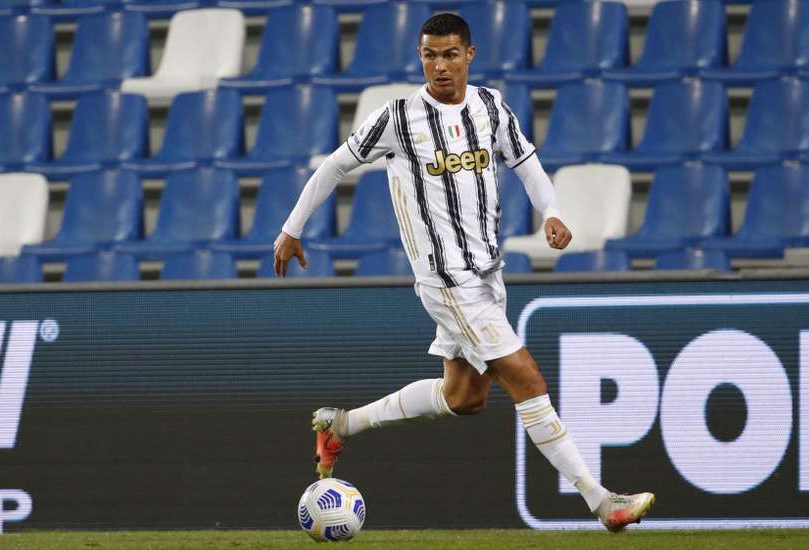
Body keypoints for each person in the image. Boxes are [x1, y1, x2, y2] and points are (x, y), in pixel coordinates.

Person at [273, 13, 654, 532]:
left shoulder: (491, 107)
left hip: (486, 274)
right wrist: (292, 229)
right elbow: (335, 164)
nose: (439, 66)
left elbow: (525, 162)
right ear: (420, 57)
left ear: (469, 55)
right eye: (429, 55)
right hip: (445, 279)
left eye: (450, 54)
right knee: (525, 376)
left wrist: (554, 213)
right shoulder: (400, 117)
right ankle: (601, 501)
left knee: (465, 397)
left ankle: (341, 425)